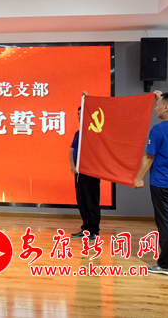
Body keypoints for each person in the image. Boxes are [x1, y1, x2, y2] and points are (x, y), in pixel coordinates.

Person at [134, 90, 168, 276]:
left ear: (166, 107)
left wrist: (139, 177)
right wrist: (162, 98)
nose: (155, 109)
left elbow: (149, 157)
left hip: (162, 184)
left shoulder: (158, 130)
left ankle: (166, 265)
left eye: (157, 105)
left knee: (166, 224)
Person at [70, 94, 101, 241]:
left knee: (92, 202)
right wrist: (73, 166)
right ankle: (86, 229)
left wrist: (88, 100)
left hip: (91, 173)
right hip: (79, 173)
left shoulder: (95, 132)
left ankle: (94, 230)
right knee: (82, 202)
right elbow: (72, 150)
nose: (78, 116)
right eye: (77, 114)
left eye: (81, 114)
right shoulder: (78, 133)